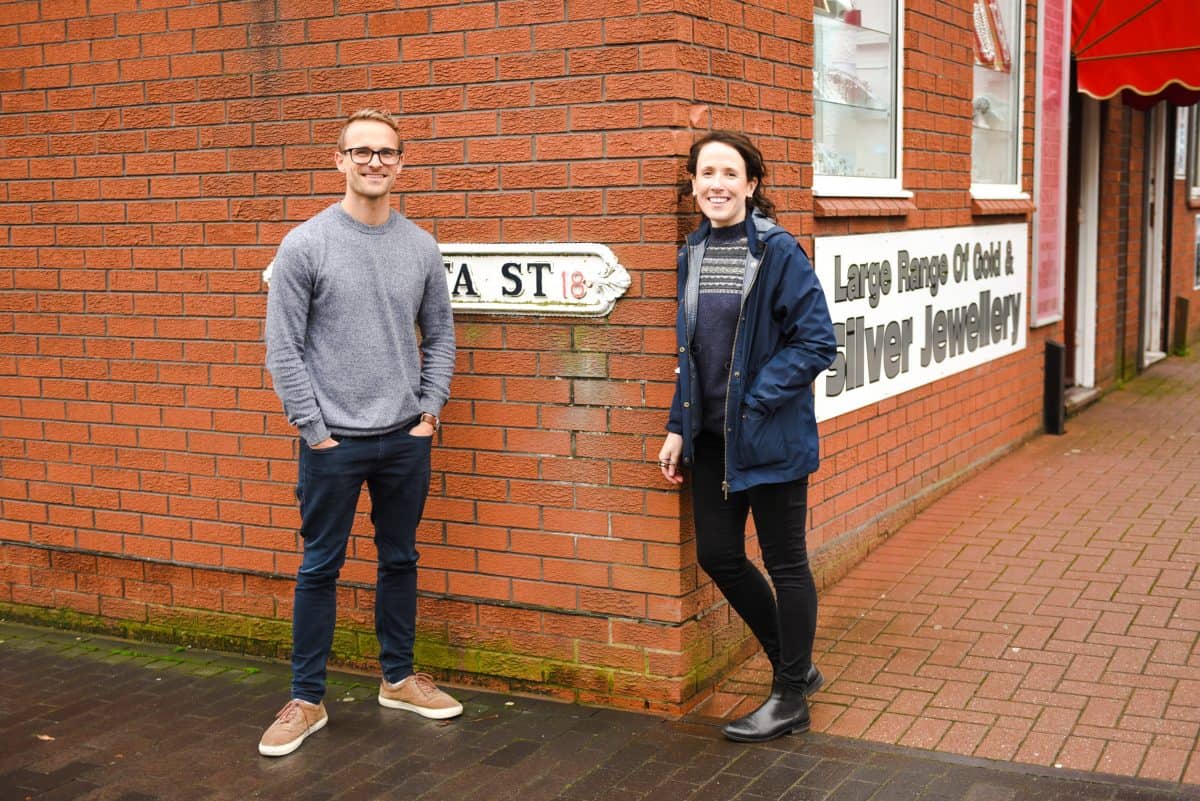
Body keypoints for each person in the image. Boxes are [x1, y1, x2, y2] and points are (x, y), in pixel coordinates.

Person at [259, 108, 459, 757]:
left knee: (400, 559)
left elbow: (442, 333)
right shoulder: (306, 244)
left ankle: (398, 678)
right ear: (338, 159)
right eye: (361, 151)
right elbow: (283, 348)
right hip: (333, 443)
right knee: (320, 566)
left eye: (386, 152)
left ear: (401, 163)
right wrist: (313, 429)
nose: (374, 161)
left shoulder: (420, 246)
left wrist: (430, 410)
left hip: (406, 436)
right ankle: (305, 699)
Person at [658, 131, 837, 743]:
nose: (716, 184)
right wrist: (679, 427)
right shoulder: (693, 251)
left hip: (769, 434)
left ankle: (789, 696)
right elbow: (694, 354)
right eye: (706, 173)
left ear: (751, 185)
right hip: (711, 439)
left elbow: (817, 342)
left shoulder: (779, 252)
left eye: (729, 173)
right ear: (693, 183)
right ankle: (798, 665)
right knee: (718, 554)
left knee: (786, 563)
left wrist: (755, 398)